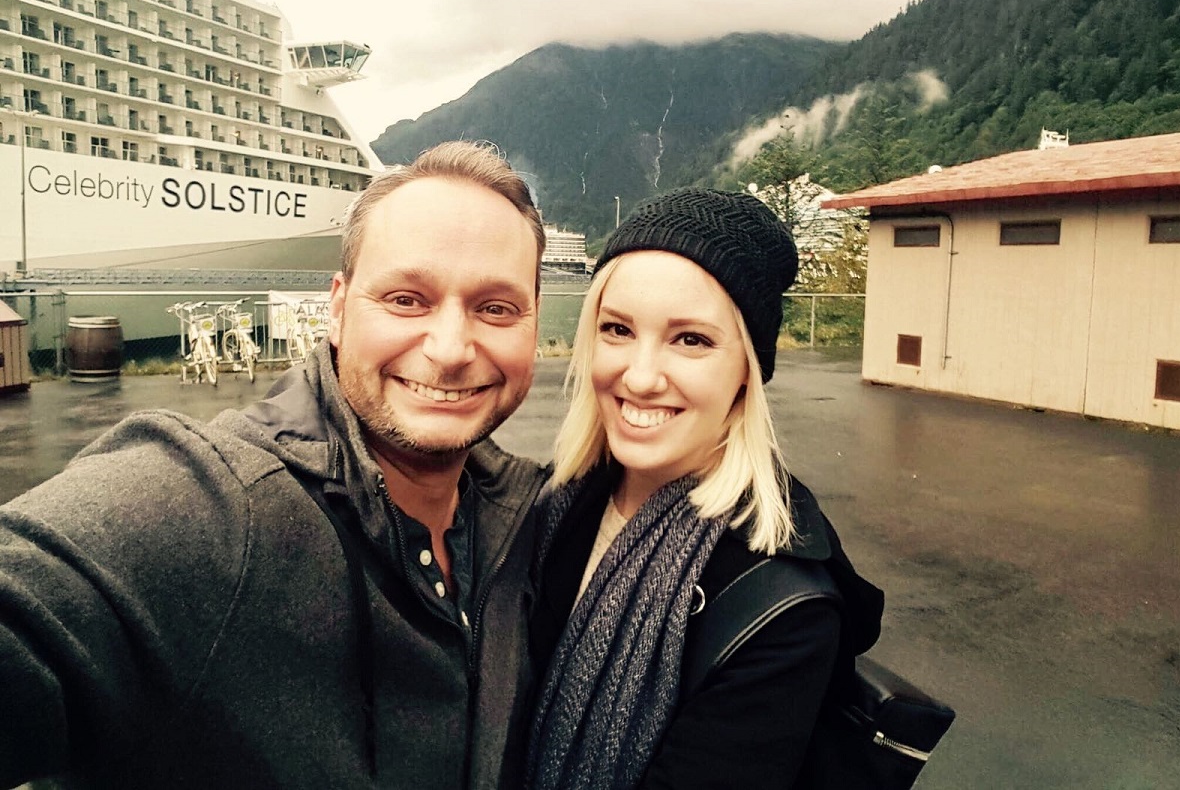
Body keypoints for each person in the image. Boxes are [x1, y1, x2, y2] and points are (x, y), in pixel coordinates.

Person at [0, 141, 550, 789]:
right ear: (339, 310)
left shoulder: (532, 521)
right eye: (406, 299)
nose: (452, 349)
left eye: (496, 308)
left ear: (534, 326)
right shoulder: (213, 506)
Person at [526, 188, 885, 790]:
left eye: (690, 339)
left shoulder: (782, 610)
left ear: (748, 366)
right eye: (617, 329)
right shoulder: (555, 505)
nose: (639, 376)